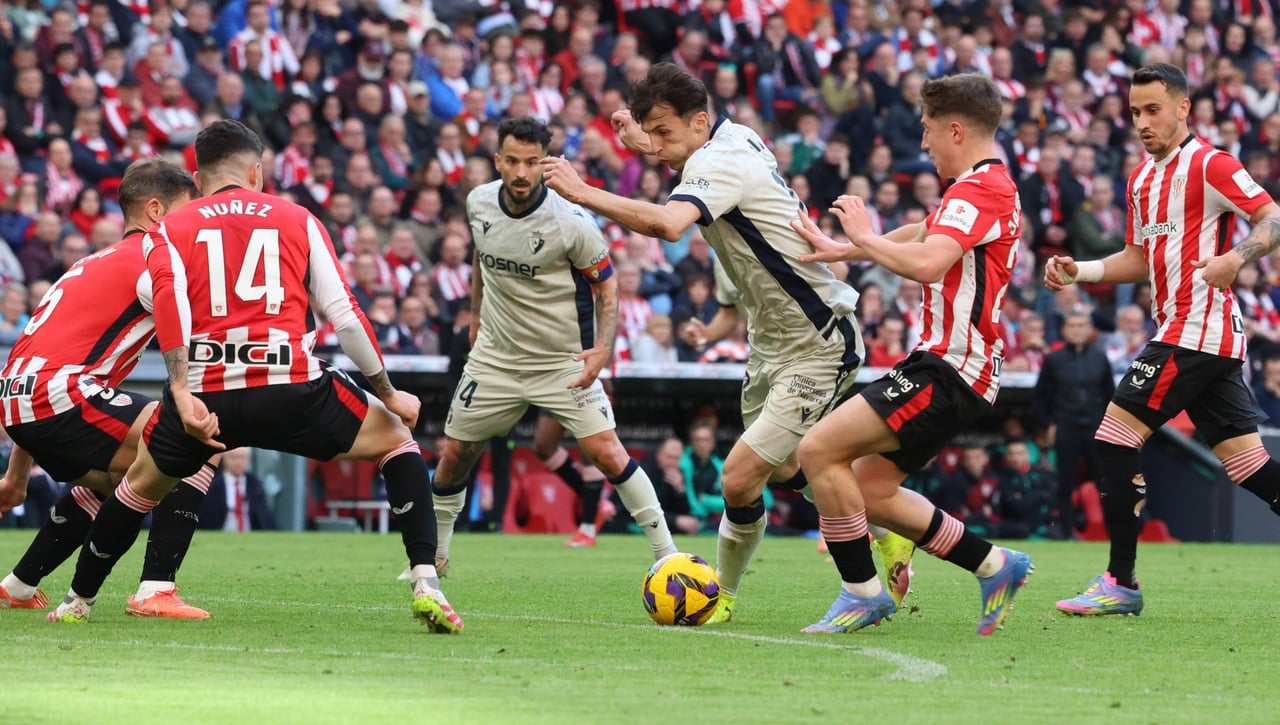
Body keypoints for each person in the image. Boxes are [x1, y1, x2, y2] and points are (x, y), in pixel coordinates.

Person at [45, 120, 463, 634]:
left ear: (198, 179)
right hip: (290, 384)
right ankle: (426, 581)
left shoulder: (168, 230)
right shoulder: (298, 218)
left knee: (137, 488)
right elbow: (345, 314)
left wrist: (180, 388)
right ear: (256, 171)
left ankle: (77, 601)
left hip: (207, 395)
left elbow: (168, 304)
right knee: (397, 441)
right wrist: (389, 393)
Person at [542, 63, 916, 624]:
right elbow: (690, 155)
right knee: (785, 470)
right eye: (654, 133)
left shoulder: (721, 160)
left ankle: (732, 597)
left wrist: (581, 190)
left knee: (739, 476)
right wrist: (648, 142)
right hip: (771, 343)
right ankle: (885, 529)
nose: (658, 145)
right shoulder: (731, 135)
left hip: (817, 336)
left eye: (665, 132)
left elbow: (669, 225)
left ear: (698, 121)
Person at [789, 72, 1033, 635]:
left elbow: (926, 263)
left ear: (955, 130)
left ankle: (862, 594)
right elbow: (923, 233)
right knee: (870, 490)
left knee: (819, 449)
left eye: (927, 129)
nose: (923, 143)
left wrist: (863, 234)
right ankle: (994, 565)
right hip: (959, 368)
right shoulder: (985, 185)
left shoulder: (978, 190)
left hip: (951, 366)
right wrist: (844, 250)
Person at [1047, 64, 1280, 617]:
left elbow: (1272, 217)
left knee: (1114, 436)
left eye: (1153, 109)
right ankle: (1119, 582)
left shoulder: (1211, 164)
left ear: (1182, 107)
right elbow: (1137, 260)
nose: (1142, 122)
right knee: (1248, 466)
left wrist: (1234, 257)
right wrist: (1081, 270)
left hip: (1195, 329)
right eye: (1135, 112)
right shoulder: (1140, 180)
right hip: (1198, 336)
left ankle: (1120, 581)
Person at [430, 117, 678, 573]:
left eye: (532, 162)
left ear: (546, 164)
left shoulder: (571, 222)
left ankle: (668, 555)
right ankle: (435, 557)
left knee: (608, 453)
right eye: (512, 161)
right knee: (456, 455)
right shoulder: (478, 201)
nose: (521, 172)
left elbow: (607, 286)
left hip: (562, 361)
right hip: (495, 359)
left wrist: (602, 349)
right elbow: (482, 256)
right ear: (498, 161)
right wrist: (477, 313)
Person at [0, 158, 219, 620]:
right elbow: (188, 323)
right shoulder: (153, 258)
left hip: (20, 397)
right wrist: (184, 389)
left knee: (126, 476)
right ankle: (154, 589)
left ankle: (18, 585)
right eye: (187, 213)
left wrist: (17, 477)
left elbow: (43, 363)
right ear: (156, 211)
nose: (194, 226)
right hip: (58, 391)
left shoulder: (88, 264)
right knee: (194, 438)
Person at [1032, 312, 1114, 532]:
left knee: (1104, 480)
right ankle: (1065, 530)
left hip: (1096, 426)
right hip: (1066, 425)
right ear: (1064, 331)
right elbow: (1040, 397)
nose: (1077, 330)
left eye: (1081, 325)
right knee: (1065, 481)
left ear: (1090, 330)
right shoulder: (1054, 360)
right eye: (1072, 325)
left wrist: (1110, 426)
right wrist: (1048, 424)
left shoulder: (1100, 358)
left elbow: (1111, 395)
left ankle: (1112, 529)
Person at [199, 448, 278, 531]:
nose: (238, 462)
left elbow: (264, 516)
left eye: (242, 457)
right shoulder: (212, 484)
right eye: (233, 457)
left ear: (248, 460)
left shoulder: (255, 485)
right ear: (224, 460)